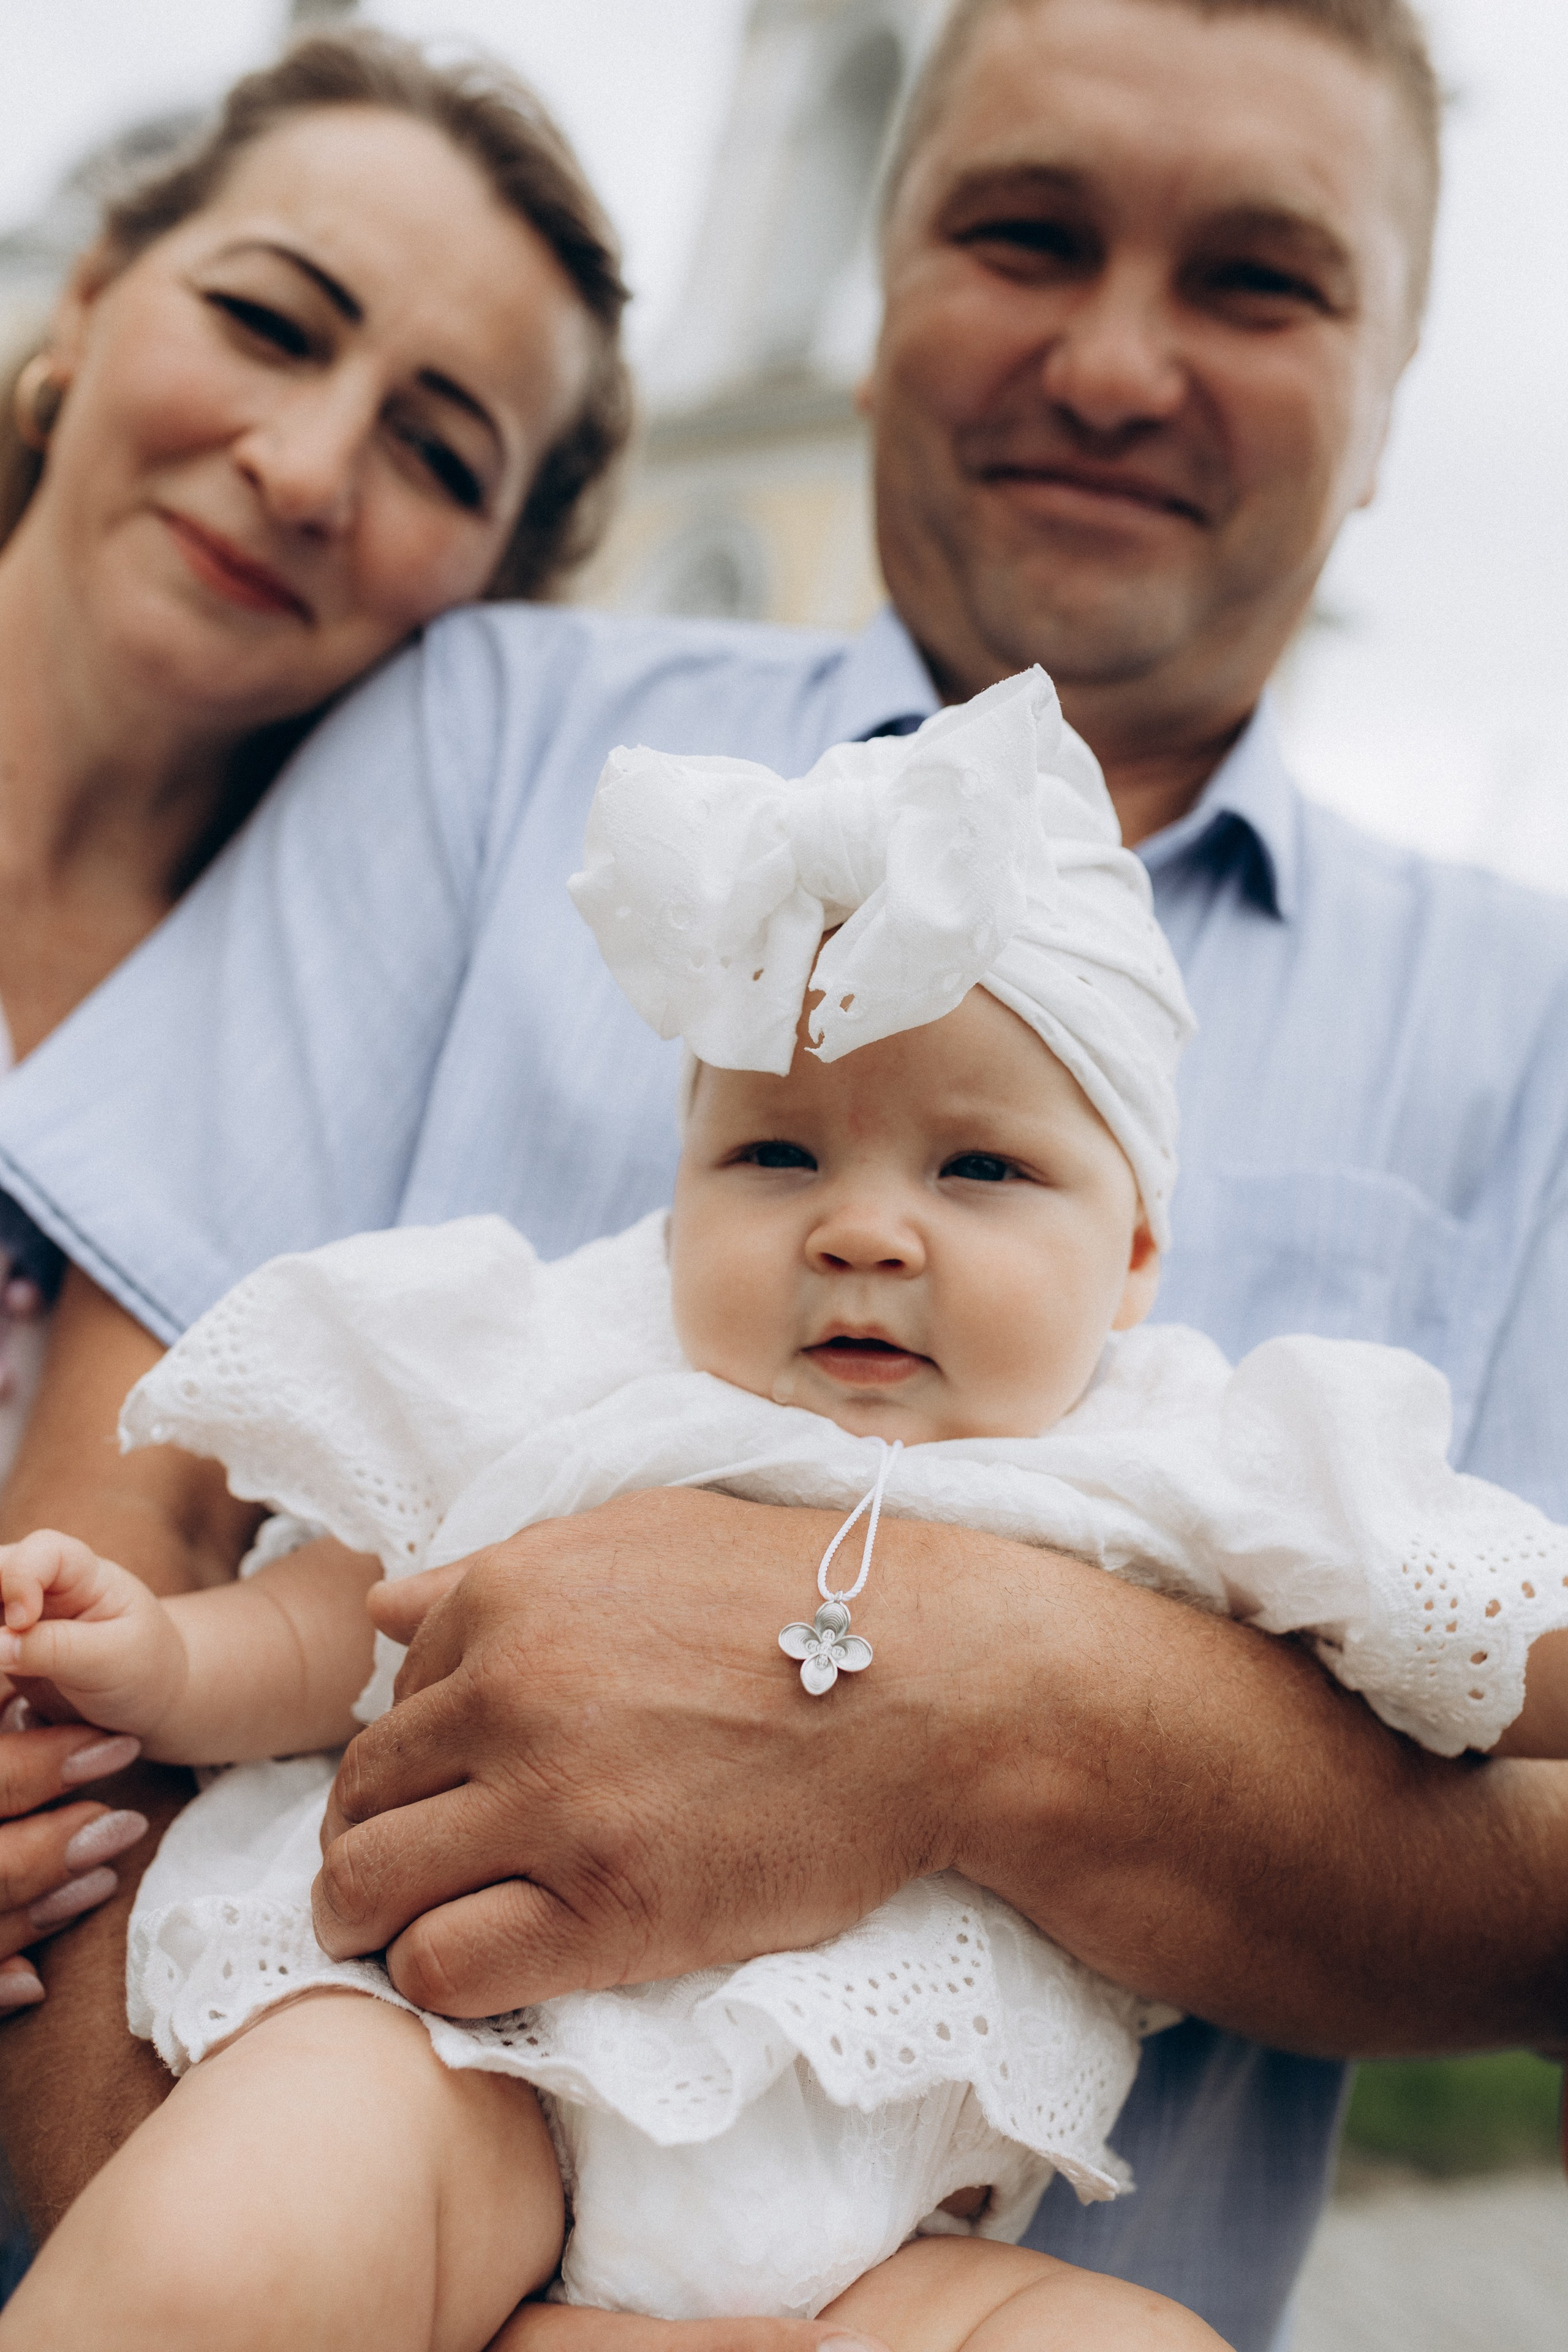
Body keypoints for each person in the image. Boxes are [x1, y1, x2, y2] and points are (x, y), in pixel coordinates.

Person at [1, 3, 1566, 2347]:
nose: (1120, 368)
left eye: (1258, 281)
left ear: (1400, 363)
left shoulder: (1524, 1034)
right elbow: (153, 1567)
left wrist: (961, 1686)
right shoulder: (491, 737)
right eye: (1025, 234)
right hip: (416, 2110)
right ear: (881, 273)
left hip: (937, 2251)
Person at [0, 21, 630, 2007]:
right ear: (90, 299)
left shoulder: (381, 1079)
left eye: (437, 454)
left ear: (499, 593)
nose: (300, 468)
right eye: (271, 324)